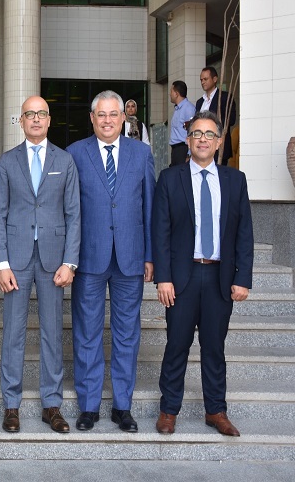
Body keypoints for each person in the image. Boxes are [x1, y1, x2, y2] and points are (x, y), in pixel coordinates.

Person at [152, 110, 253, 437]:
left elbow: (244, 234)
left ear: (219, 141)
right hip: (181, 278)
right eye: (197, 133)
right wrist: (163, 277)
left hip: (219, 278)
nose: (203, 139)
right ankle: (169, 410)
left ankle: (216, 410)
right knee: (176, 345)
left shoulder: (235, 180)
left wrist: (243, 278)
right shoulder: (170, 178)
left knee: (214, 347)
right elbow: (161, 232)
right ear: (188, 139)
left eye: (210, 134)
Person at [66, 90, 155, 433]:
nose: (107, 120)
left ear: (123, 118)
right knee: (86, 332)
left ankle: (122, 406)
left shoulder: (142, 153)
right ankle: (89, 406)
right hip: (89, 257)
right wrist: (69, 259)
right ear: (92, 118)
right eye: (100, 114)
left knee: (127, 334)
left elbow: (149, 208)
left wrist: (150, 256)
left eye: (113, 114)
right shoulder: (75, 153)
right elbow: (70, 211)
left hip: (130, 257)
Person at [0, 96, 81, 434]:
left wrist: (70, 262)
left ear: (49, 119)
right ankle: (11, 405)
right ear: (21, 121)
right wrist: (0, 263)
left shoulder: (65, 160)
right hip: (15, 260)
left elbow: (74, 214)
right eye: (30, 114)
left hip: (53, 260)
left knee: (52, 334)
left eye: (41, 114)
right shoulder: (7, 162)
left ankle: (51, 405)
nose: (36, 119)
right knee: (12, 333)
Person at [196, 67, 236, 166]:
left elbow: (231, 120)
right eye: (201, 80)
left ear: (214, 79)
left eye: (205, 79)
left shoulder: (224, 97)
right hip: (202, 148)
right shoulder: (200, 102)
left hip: (219, 147)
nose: (203, 82)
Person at [169, 80, 196, 166]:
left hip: (183, 149)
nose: (170, 94)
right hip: (176, 150)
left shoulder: (188, 109)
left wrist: (189, 154)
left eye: (171, 91)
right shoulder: (177, 109)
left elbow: (192, 132)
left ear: (176, 94)